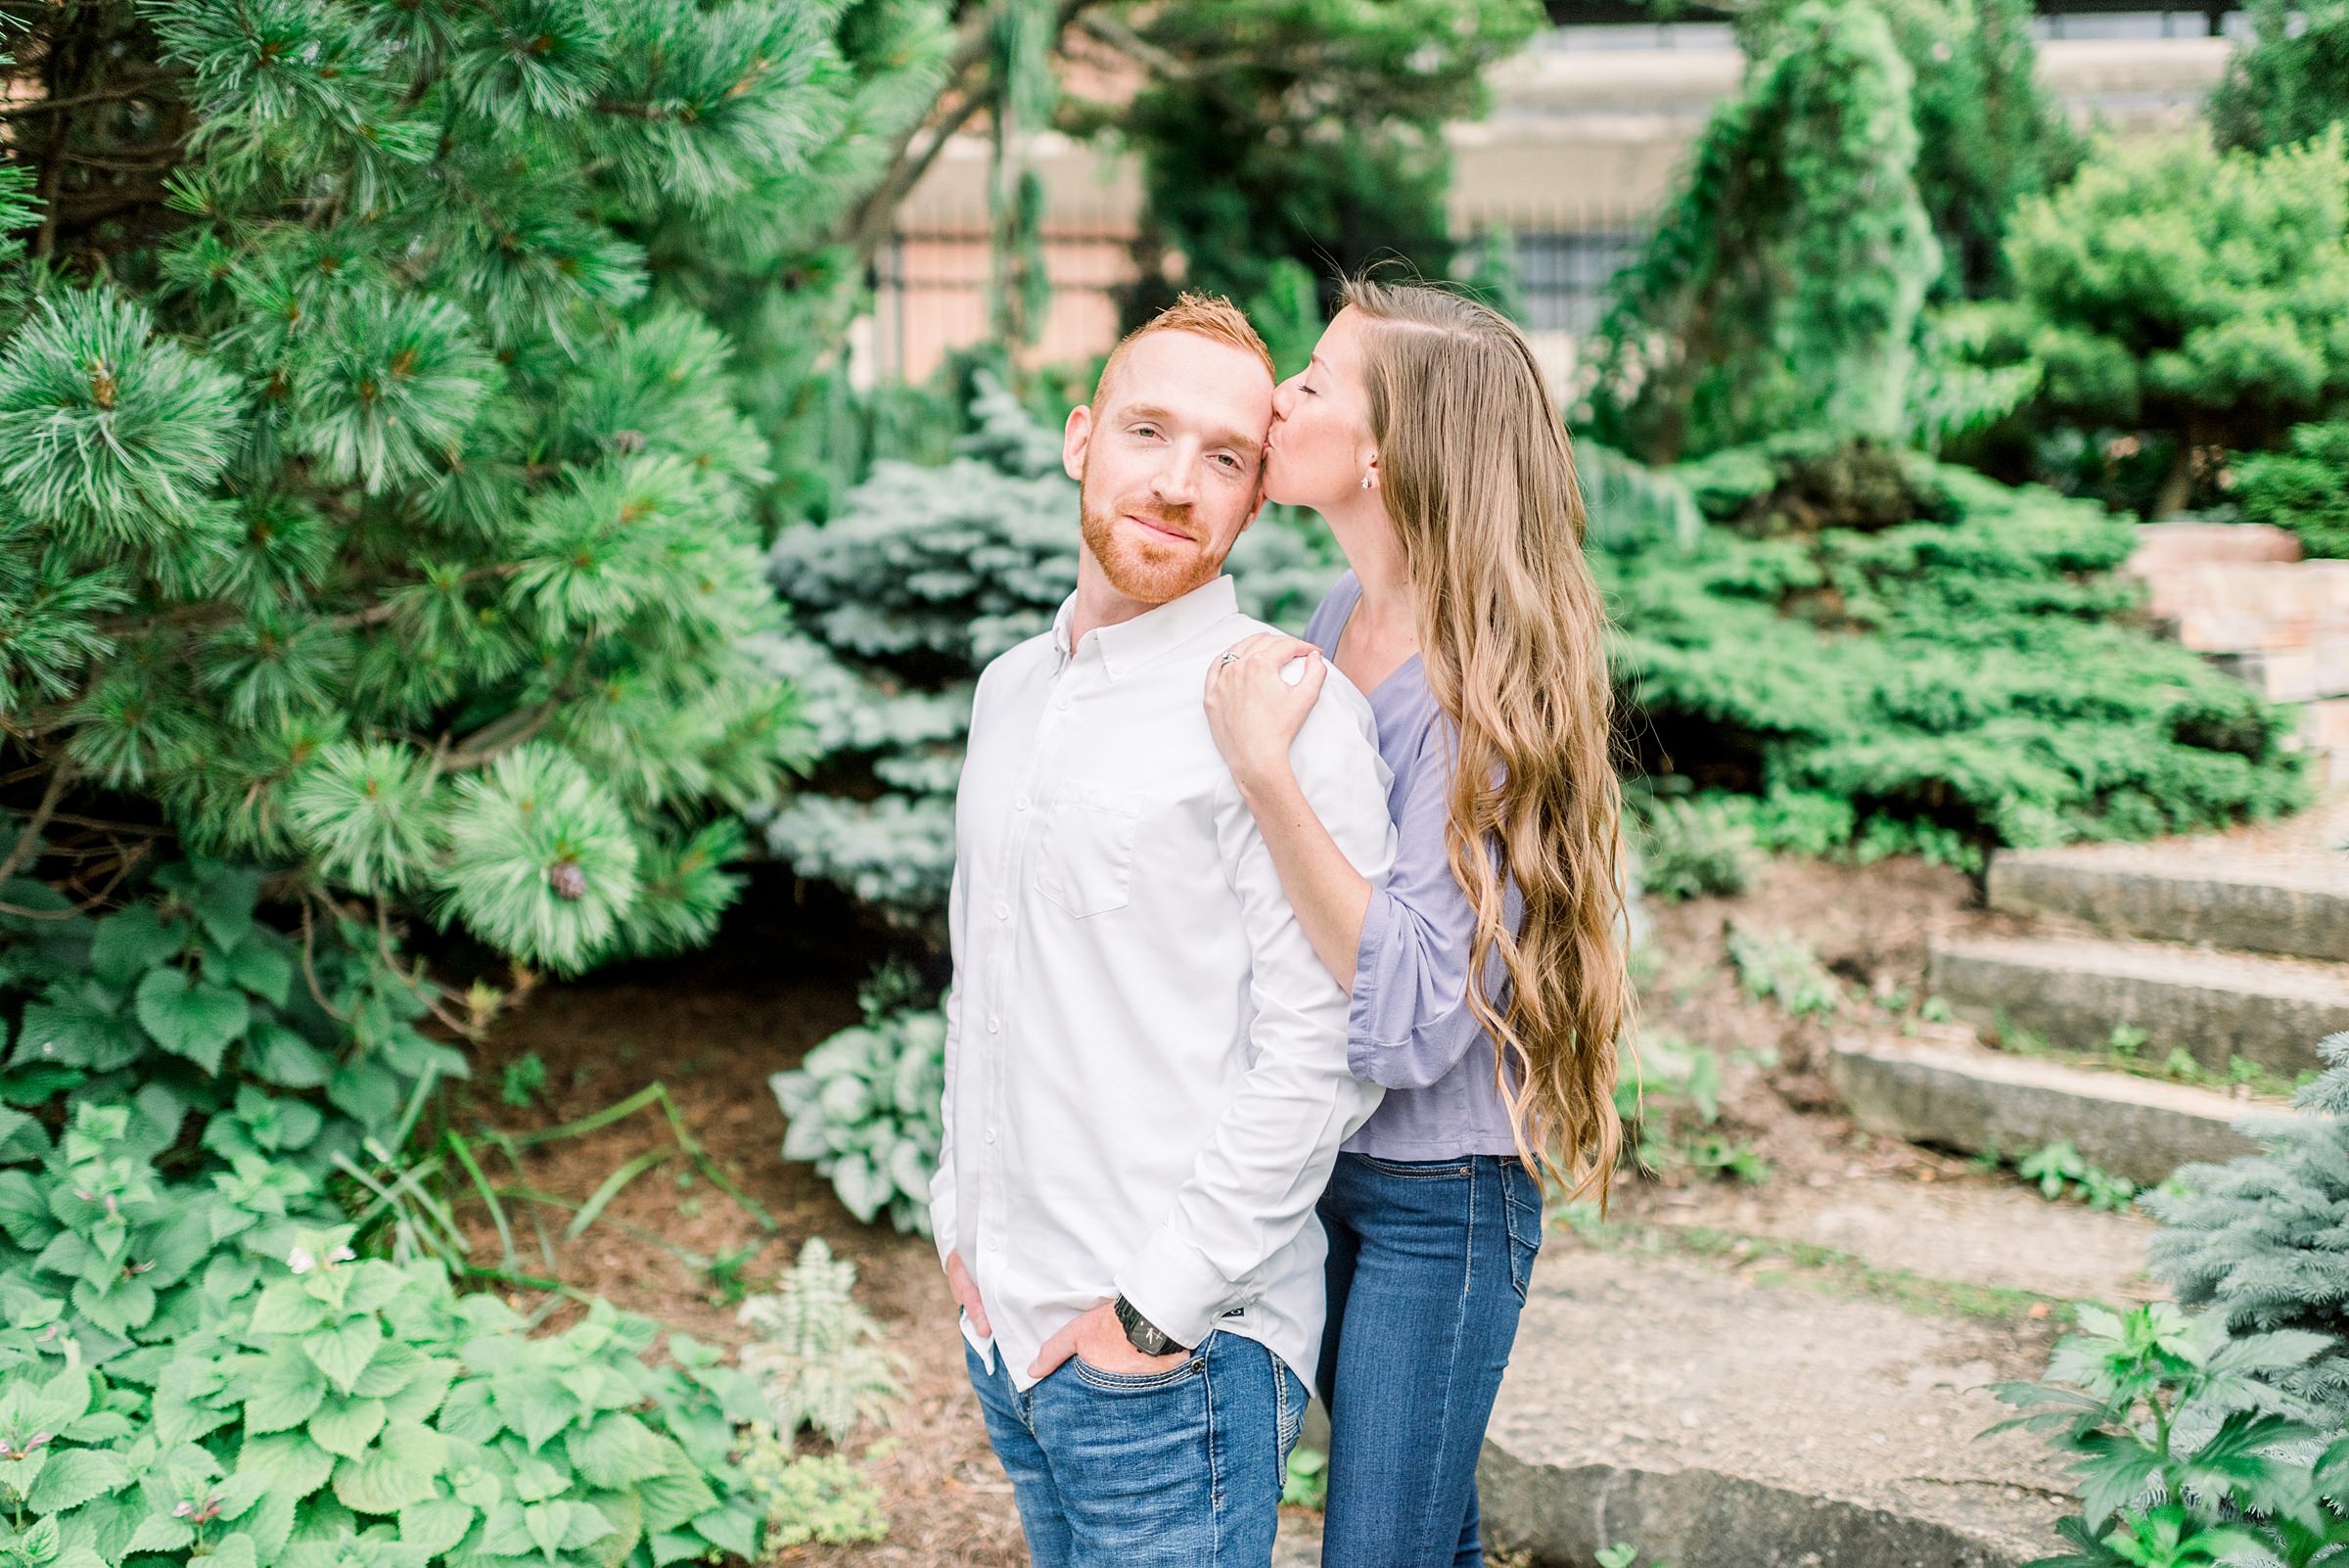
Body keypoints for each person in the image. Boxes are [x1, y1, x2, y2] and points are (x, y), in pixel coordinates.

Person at [927, 293, 1400, 1568]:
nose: (1179, 482)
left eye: (1226, 457)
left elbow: (1328, 1050)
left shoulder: (1288, 711)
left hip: (1174, 1363)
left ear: (1257, 500)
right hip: (1009, 1330)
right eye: (1147, 430)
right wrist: (956, 1223)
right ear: (1082, 438)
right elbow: (989, 975)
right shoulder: (1010, 691)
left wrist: (1151, 1314)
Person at [1203, 278, 1636, 1568]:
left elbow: (1405, 1014)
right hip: (1336, 1164)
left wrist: (1266, 773)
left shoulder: (1472, 686)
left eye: (1317, 381)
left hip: (1440, 1199)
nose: (1280, 394)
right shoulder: (1346, 617)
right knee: (1424, 1537)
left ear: (1385, 447)